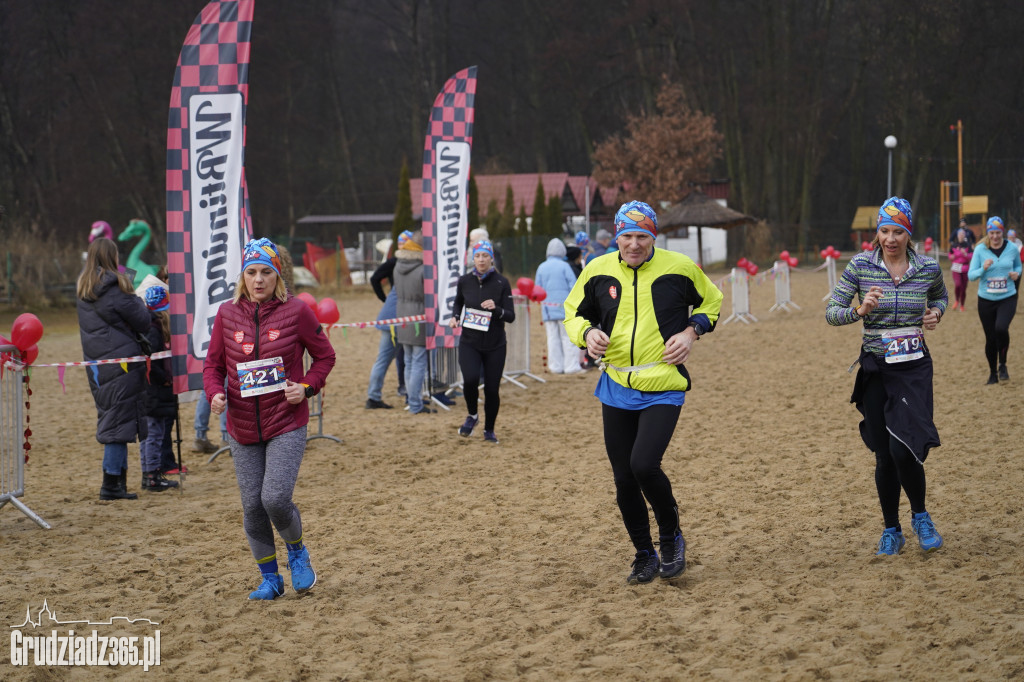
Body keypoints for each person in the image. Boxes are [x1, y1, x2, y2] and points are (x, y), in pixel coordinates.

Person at [564, 200, 723, 584]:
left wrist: (691, 331)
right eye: (627, 237)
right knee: (623, 478)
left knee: (643, 465)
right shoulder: (597, 269)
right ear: (616, 237)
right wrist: (587, 334)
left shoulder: (679, 268)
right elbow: (573, 312)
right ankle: (643, 554)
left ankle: (671, 537)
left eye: (642, 237)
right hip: (616, 384)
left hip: (663, 385)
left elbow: (713, 301)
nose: (633, 244)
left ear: (654, 236)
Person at [204, 237, 336, 600]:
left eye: (266, 272)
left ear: (277, 276)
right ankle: (269, 578)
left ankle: (297, 553)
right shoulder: (226, 315)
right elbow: (213, 365)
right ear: (242, 276)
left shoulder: (297, 311)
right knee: (251, 505)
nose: (258, 280)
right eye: (252, 272)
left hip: (286, 422)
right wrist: (214, 393)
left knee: (275, 498)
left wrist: (306, 387)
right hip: (242, 426)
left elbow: (325, 358)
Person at [826, 196, 948, 556]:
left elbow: (941, 298)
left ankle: (921, 517)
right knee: (883, 453)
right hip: (876, 367)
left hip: (912, 368)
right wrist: (859, 310)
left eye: (898, 231)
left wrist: (935, 315)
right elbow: (832, 311)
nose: (890, 238)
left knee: (903, 447)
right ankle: (891, 529)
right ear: (876, 232)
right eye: (884, 230)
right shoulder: (861, 265)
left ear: (909, 234)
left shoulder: (927, 267)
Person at [77, 238, 152, 501]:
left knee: (112, 417)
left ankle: (118, 481)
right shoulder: (117, 288)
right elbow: (142, 321)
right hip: (122, 361)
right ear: (112, 257)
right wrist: (140, 300)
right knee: (118, 423)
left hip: (98, 364)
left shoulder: (84, 289)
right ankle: (111, 483)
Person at [449, 240, 515, 443]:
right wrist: (455, 316)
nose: (481, 260)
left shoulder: (501, 282)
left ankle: (489, 429)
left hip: (495, 344)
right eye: (477, 256)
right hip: (469, 341)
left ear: (491, 258)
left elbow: (510, 316)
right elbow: (458, 302)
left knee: (491, 389)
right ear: (473, 258)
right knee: (469, 380)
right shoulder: (464, 281)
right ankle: (472, 416)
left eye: (485, 256)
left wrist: (496, 309)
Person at [968, 216, 1021, 384]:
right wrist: (982, 269)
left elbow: (1018, 266)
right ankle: (993, 373)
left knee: (1001, 328)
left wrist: (1016, 273)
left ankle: (1003, 364)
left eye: (998, 232)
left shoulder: (1012, 248)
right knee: (990, 338)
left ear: (1003, 231)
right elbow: (971, 275)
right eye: (992, 233)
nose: (995, 236)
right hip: (986, 300)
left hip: (1007, 297)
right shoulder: (980, 250)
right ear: (988, 232)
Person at [139, 285, 179, 491]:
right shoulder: (154, 331)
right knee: (154, 434)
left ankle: (149, 474)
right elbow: (152, 364)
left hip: (152, 390)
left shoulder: (149, 327)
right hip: (154, 390)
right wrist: (164, 378)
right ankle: (152, 475)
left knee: (150, 434)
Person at [364, 230, 409, 409]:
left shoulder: (397, 262)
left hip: (392, 315)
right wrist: (385, 299)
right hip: (399, 315)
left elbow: (375, 278)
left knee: (388, 358)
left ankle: (375, 395)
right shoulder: (400, 262)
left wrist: (386, 300)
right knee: (409, 357)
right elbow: (375, 278)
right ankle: (408, 394)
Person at [394, 230, 433, 414]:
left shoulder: (397, 266)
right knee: (418, 362)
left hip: (402, 317)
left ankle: (412, 400)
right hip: (419, 318)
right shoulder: (423, 270)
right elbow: (429, 296)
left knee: (409, 361)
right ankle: (416, 403)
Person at [534, 238, 583, 375]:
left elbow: (538, 289)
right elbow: (574, 287)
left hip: (548, 310)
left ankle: (555, 366)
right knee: (568, 338)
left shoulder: (541, 267)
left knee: (552, 339)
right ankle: (571, 366)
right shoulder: (565, 266)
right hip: (565, 310)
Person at [948, 227, 974, 311]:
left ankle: (962, 305)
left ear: (964, 235)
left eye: (962, 234)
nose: (961, 236)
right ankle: (956, 300)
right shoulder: (954, 245)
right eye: (959, 234)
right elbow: (950, 255)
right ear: (957, 235)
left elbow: (971, 256)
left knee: (963, 287)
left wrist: (965, 254)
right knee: (958, 285)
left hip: (965, 268)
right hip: (956, 268)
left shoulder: (968, 245)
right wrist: (952, 257)